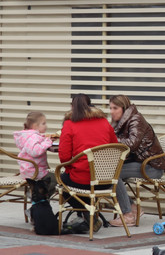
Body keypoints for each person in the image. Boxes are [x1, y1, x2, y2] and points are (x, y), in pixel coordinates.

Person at [59, 93, 118, 232]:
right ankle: (89, 216)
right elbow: (115, 146)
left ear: (72, 107)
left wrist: (72, 166)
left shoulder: (69, 124)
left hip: (82, 180)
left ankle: (87, 215)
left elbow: (64, 157)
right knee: (72, 178)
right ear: (90, 105)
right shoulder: (104, 121)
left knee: (62, 182)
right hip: (106, 180)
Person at [107, 95, 165, 227]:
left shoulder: (136, 119)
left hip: (152, 166)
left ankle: (128, 215)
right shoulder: (121, 122)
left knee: (111, 173)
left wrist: (109, 139)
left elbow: (132, 144)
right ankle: (133, 208)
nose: (111, 111)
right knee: (107, 171)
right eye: (110, 108)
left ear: (124, 108)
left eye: (115, 108)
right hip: (139, 162)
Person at [14, 111, 56, 196]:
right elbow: (35, 151)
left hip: (29, 169)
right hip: (34, 171)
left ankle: (40, 197)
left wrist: (45, 139)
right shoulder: (33, 137)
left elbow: (34, 145)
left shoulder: (29, 136)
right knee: (56, 179)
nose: (46, 126)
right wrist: (48, 142)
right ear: (35, 126)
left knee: (53, 177)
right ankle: (37, 195)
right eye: (43, 123)